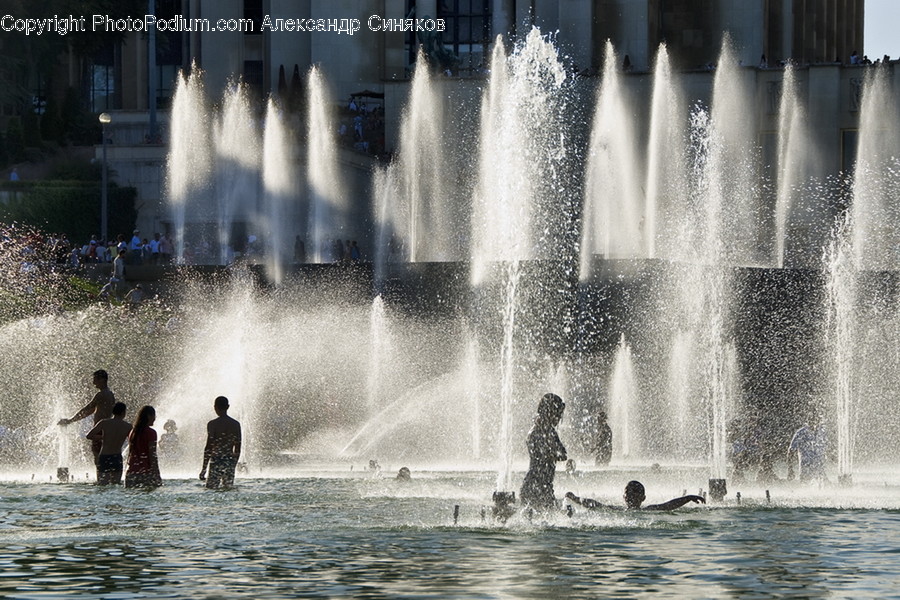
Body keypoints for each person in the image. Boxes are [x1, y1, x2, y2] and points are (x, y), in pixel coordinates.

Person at [520, 393, 567, 510]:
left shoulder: (550, 432)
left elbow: (563, 454)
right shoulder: (535, 432)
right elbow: (539, 454)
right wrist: (551, 454)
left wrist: (553, 454)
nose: (560, 418)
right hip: (534, 486)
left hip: (546, 487)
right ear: (549, 412)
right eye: (558, 414)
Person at [58, 370, 117, 464]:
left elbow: (87, 409)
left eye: (95, 380)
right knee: (104, 456)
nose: (93, 383)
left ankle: (100, 477)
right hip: (107, 428)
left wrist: (70, 421)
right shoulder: (110, 394)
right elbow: (90, 411)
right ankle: (105, 476)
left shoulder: (101, 395)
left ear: (102, 380)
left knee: (98, 457)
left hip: (100, 429)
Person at [566, 481, 706, 511]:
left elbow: (667, 505)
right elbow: (596, 504)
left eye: (634, 493)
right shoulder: (617, 510)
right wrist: (576, 499)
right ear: (623, 496)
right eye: (627, 493)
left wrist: (687, 498)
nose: (629, 497)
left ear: (643, 498)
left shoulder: (648, 510)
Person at [199, 396, 242, 489]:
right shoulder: (235, 424)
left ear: (215, 407)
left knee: (211, 488)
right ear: (228, 407)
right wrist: (233, 464)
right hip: (229, 460)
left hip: (216, 460)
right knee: (228, 488)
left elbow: (209, 447)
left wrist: (204, 469)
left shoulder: (212, 424)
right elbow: (237, 447)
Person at [86, 402, 132, 485]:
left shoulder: (104, 423)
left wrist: (103, 437)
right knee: (116, 485)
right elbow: (133, 440)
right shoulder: (128, 426)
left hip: (104, 456)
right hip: (117, 457)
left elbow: (89, 436)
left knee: (102, 485)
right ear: (123, 413)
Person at [124, 405, 162, 488]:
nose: (155, 419)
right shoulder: (151, 433)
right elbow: (152, 455)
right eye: (154, 416)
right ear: (149, 416)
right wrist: (157, 475)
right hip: (145, 473)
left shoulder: (133, 432)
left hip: (131, 473)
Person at [787, 416, 826, 482]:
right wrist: (790, 469)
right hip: (806, 468)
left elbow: (824, 450)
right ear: (808, 422)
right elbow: (791, 451)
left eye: (817, 421)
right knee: (806, 486)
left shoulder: (821, 433)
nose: (814, 424)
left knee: (820, 487)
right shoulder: (801, 433)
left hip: (819, 469)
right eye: (812, 421)